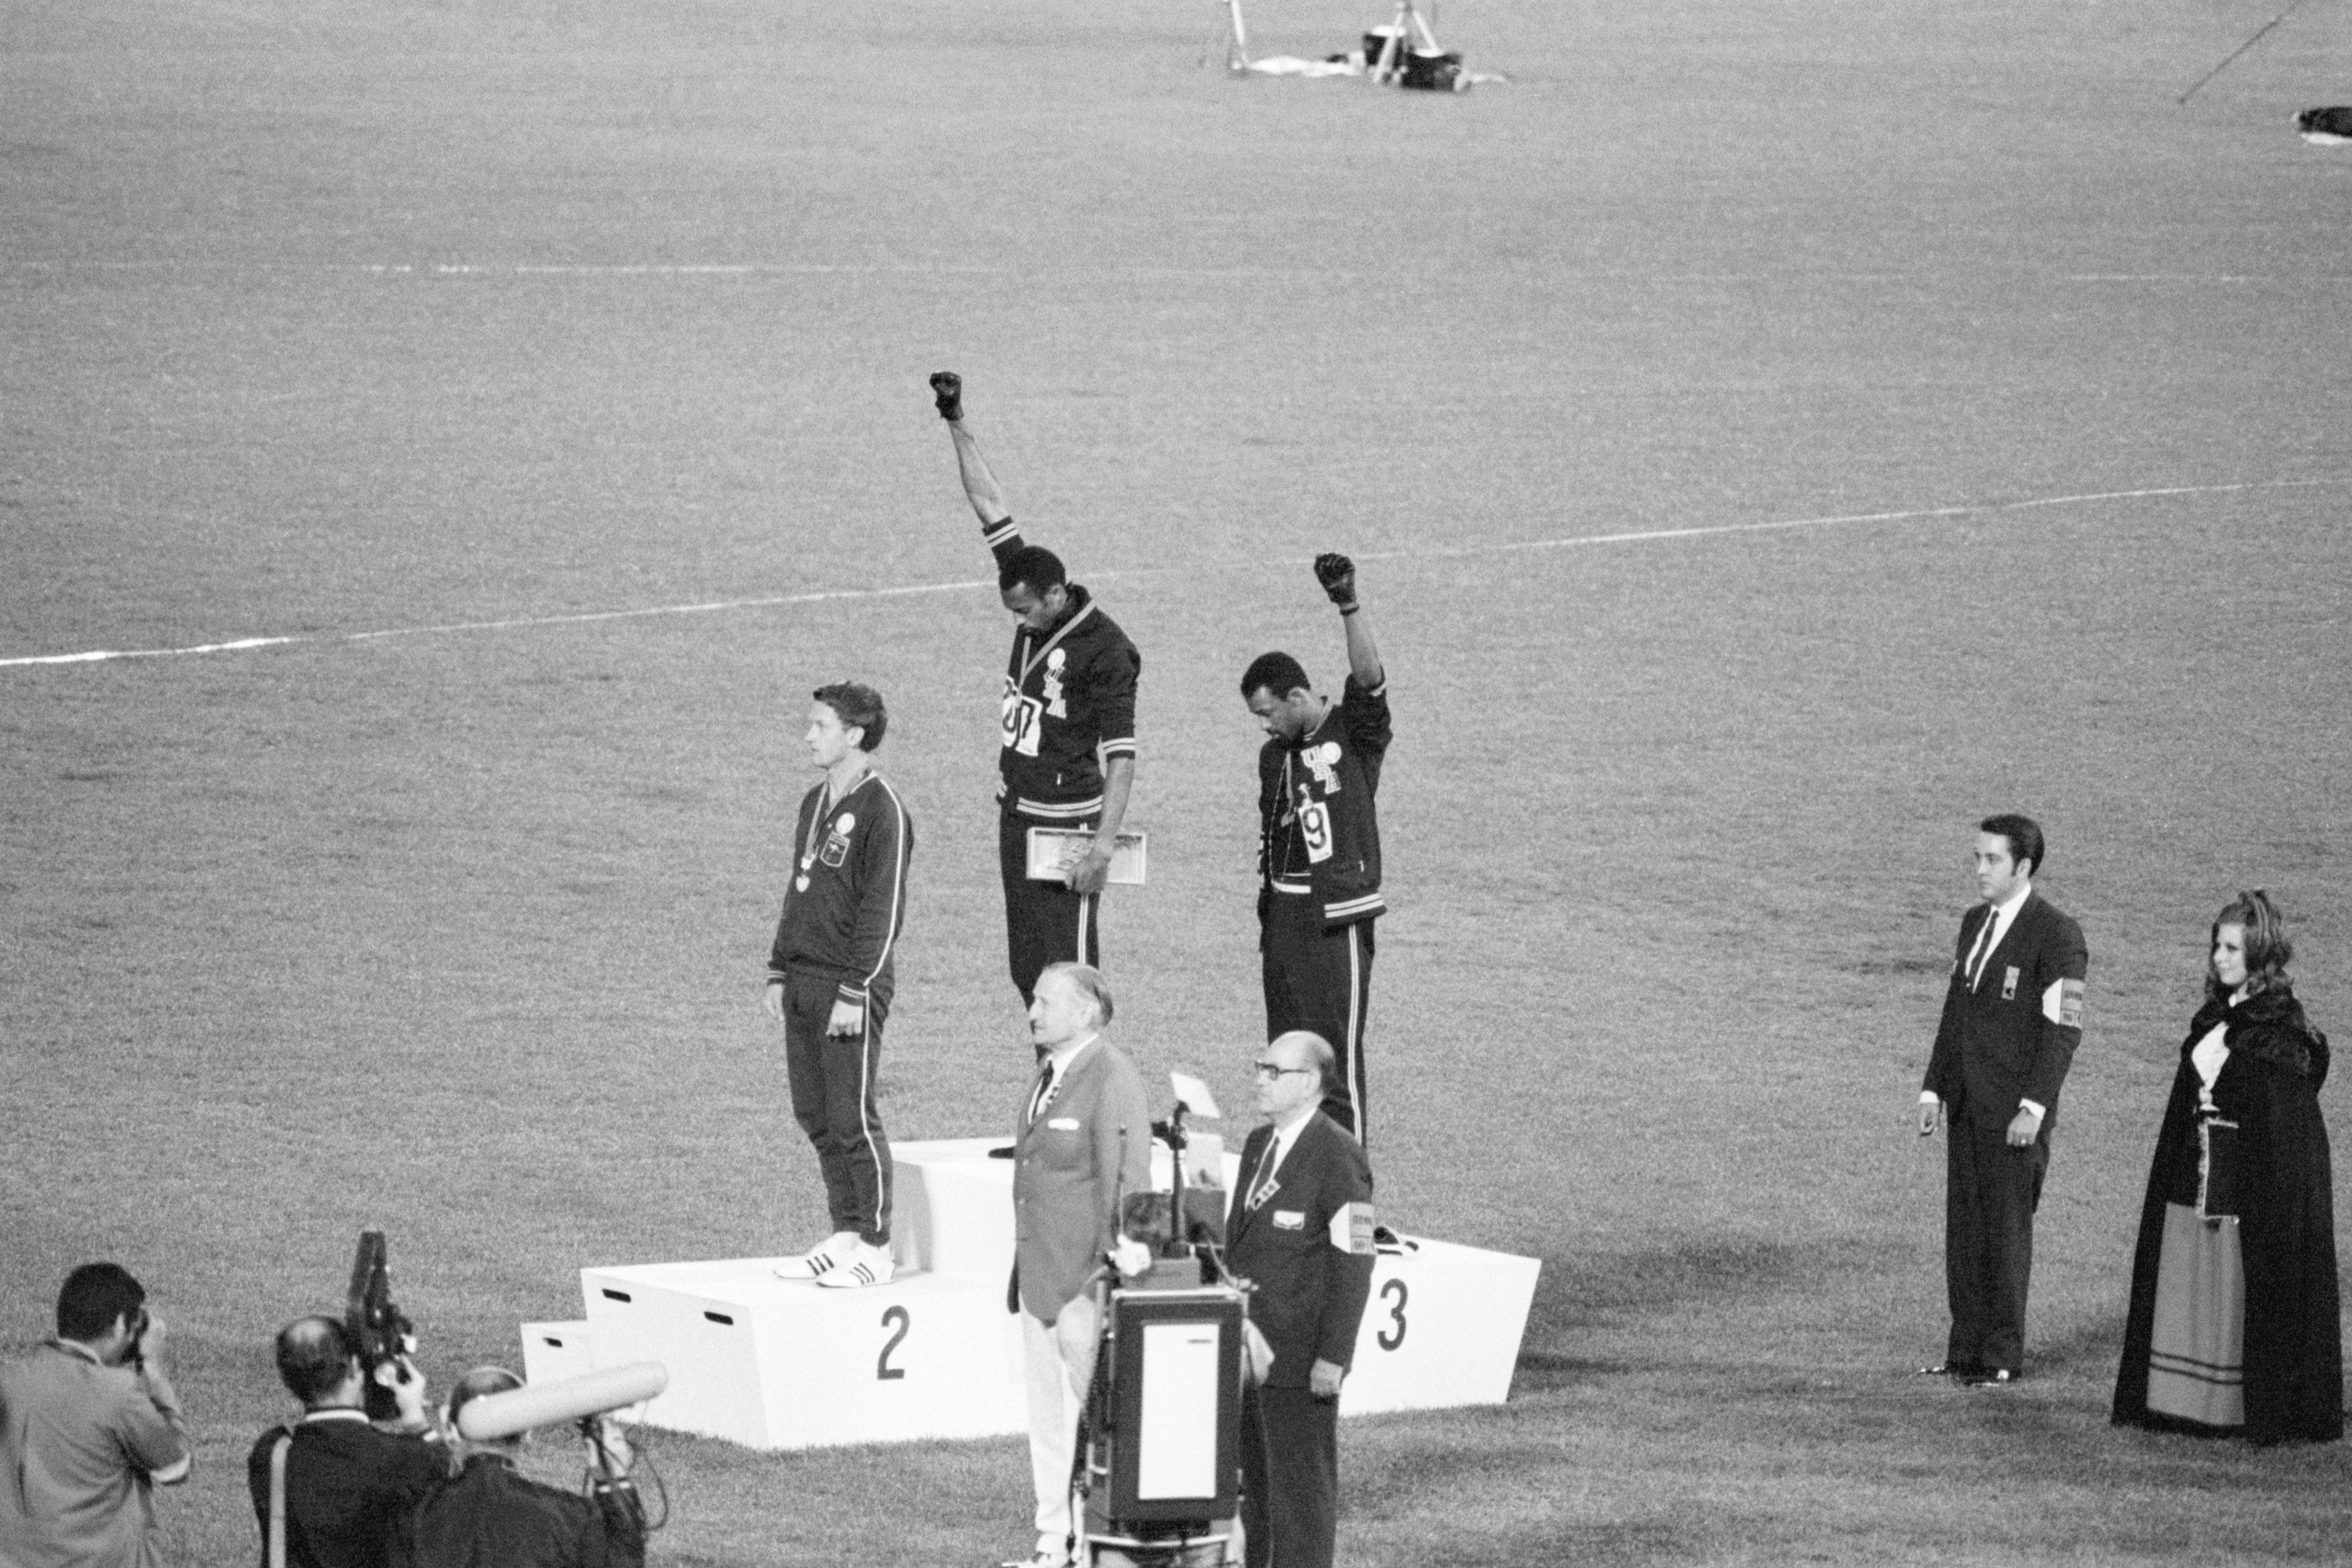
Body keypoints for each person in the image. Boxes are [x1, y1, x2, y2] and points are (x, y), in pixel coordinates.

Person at [930, 371, 1142, 1007]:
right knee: (1028, 974)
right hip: (1016, 814)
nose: (1019, 624)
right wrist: (955, 417)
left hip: (1066, 825)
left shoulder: (1107, 650)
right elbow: (989, 503)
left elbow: (1122, 755)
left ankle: (1089, 1099)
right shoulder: (1029, 583)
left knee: (1070, 978)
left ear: (1055, 593)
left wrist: (1102, 846)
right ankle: (1052, 1091)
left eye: (1025, 612)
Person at [2112, 890, 2340, 1443]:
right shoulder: (2215, 1018)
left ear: (2260, 955)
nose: (2219, 956)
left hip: (2251, 1190)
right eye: (2217, 944)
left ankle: (2246, 1407)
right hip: (2196, 1175)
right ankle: (2184, 1403)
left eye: (2232, 947)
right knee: (2195, 1282)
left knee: (2243, 1288)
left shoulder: (2280, 1033)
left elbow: (2286, 1131)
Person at [1915, 814, 2089, 1386]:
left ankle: (2002, 1356)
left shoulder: (2057, 935)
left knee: (2006, 1233)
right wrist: (1934, 1088)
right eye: (1977, 857)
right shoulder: (1973, 924)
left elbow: (2063, 1030)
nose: (1980, 869)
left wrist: (2033, 1108)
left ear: (2024, 866)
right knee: (1964, 1233)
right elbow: (1955, 1012)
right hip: (1967, 1106)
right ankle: (1964, 1349)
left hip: (2014, 1116)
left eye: (1992, 860)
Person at [763, 682, 916, 1289]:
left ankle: (877, 1246)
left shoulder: (884, 810)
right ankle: (845, 1230)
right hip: (803, 977)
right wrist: (778, 966)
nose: (808, 735)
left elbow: (884, 911)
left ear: (854, 735)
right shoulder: (814, 800)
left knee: (851, 1114)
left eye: (820, 726)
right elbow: (797, 886)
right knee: (815, 1113)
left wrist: (857, 990)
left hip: (849, 986)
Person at [1005, 962, 1152, 1568]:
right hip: (1038, 1277)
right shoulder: (1051, 1072)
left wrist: (1105, 1282)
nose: (1032, 1011)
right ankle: (1052, 1538)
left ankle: (1087, 1541)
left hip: (1082, 1287)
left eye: (1044, 1001)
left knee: (1088, 1424)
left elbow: (1128, 1183)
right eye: (1034, 1001)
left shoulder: (1111, 1075)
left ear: (1087, 1011)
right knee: (1046, 1415)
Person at [1241, 553, 1391, 1139]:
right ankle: (1302, 1183)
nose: (1263, 726)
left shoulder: (1354, 733)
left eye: (1268, 712)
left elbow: (1371, 678)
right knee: (1287, 1056)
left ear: (1298, 695)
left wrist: (1347, 604)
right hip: (1282, 919)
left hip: (1335, 919)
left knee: (1336, 1064)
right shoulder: (1273, 755)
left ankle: (1353, 1206)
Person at [1222, 1031, 1376, 1568]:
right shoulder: (1258, 1144)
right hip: (1247, 1353)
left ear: (1309, 1081)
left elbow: (1355, 1261)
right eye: (1259, 1066)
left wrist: (1334, 1355)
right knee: (1253, 1494)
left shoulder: (1338, 1155)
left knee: (1301, 1498)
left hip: (1300, 1358)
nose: (1259, 1080)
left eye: (1273, 1071)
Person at [0, 1262, 191, 1568]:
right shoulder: (119, 1393)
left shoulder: (10, 1381)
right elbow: (176, 1467)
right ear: (119, 1324)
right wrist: (154, 1371)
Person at [246, 1316, 445, 1568]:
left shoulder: (272, 1455)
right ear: (354, 1366)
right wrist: (416, 1420)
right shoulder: (402, 1460)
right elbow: (456, 1485)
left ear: (288, 1381)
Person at [406, 1366, 644, 1568]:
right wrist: (615, 1480)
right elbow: (623, 1560)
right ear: (527, 1433)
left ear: (452, 1431)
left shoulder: (415, 1512)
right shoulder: (572, 1515)